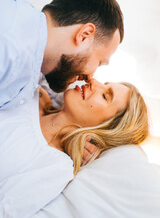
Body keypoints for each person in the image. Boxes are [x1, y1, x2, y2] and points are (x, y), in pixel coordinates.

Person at [0, 79, 149, 218]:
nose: (93, 82)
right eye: (103, 83)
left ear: (107, 128)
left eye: (105, 96)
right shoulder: (34, 92)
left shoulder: (56, 167)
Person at [0, 0, 123, 110]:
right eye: (99, 62)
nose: (91, 78)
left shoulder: (32, 60)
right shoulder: (8, 50)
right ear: (84, 35)